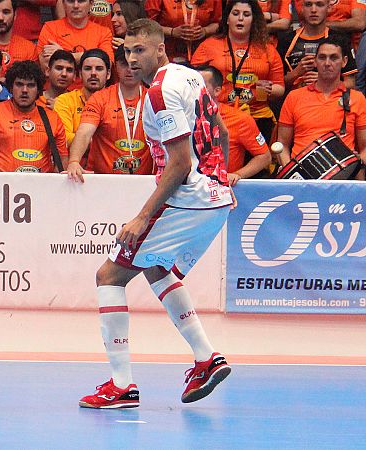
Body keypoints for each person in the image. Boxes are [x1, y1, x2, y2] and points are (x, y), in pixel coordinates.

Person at [72, 19, 233, 409]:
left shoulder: (159, 93)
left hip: (188, 197)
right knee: (159, 269)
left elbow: (178, 165)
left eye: (139, 51)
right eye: (126, 52)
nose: (131, 60)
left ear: (160, 49)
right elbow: (222, 133)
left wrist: (143, 216)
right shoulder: (190, 77)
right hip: (216, 198)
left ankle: (121, 384)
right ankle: (206, 358)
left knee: (109, 275)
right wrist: (223, 179)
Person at [191, 0, 285, 140]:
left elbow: (280, 88)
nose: (240, 18)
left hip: (257, 116)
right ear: (227, 19)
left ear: (253, 20)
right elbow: (192, 83)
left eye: (246, 14)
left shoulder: (268, 49)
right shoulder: (208, 46)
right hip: (219, 116)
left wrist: (268, 90)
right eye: (235, 13)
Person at [276, 37, 366, 174]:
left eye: (334, 58)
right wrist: (291, 173)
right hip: (301, 176)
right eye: (322, 57)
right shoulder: (294, 97)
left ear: (344, 62)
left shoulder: (357, 99)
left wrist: (355, 167)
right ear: (315, 62)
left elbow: (365, 148)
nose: (327, 63)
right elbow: (282, 144)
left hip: (342, 176)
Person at [0, 60, 68, 172]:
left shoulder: (52, 118)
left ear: (38, 89)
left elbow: (62, 160)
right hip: (0, 187)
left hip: (41, 187)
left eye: (30, 85)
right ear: (11, 88)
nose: (24, 90)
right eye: (19, 84)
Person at [67, 46, 154, 175]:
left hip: (144, 182)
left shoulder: (153, 98)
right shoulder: (100, 98)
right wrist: (74, 162)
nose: (129, 69)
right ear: (116, 67)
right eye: (124, 64)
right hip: (103, 182)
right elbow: (84, 132)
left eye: (134, 64)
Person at [196, 64, 270, 184]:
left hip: (225, 189)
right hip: (188, 188)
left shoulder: (240, 119)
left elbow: (265, 157)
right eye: (193, 84)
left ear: (217, 90)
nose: (195, 89)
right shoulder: (180, 116)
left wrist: (237, 175)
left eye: (201, 85)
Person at [277, 0, 357, 89]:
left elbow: (351, 84)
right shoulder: (286, 41)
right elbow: (278, 85)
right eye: (308, 4)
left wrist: (324, 81)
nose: (313, 10)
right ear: (302, 8)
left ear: (329, 8)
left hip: (331, 100)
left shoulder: (340, 40)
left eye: (319, 4)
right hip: (297, 100)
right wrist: (296, 73)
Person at [54, 48, 110, 146]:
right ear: (80, 73)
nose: (93, 73)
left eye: (99, 69)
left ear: (108, 74)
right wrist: (105, 144)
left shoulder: (118, 101)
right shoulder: (64, 101)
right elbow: (64, 138)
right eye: (88, 68)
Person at [36, 0, 114, 69]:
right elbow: (46, 65)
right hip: (59, 85)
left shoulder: (103, 32)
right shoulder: (50, 28)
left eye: (81, 1)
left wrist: (62, 54)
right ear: (63, 3)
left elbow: (107, 64)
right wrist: (93, 58)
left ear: (91, 4)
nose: (75, 6)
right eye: (71, 1)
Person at [145, 0, 221, 62]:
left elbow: (219, 23)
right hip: (168, 56)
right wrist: (171, 31)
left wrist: (205, 31)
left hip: (200, 56)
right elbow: (147, 25)